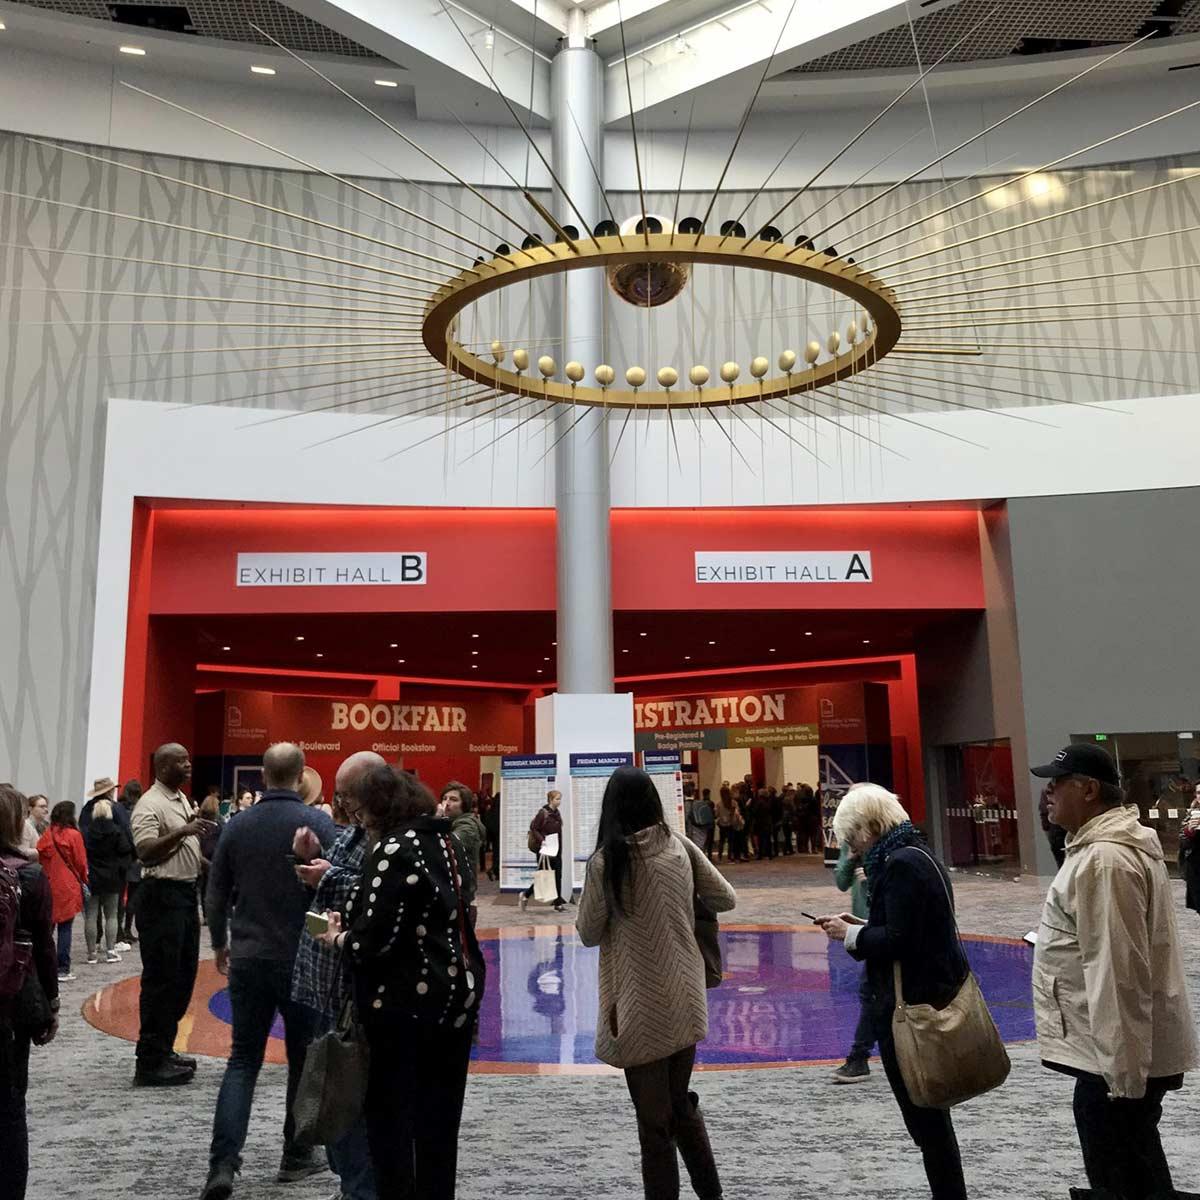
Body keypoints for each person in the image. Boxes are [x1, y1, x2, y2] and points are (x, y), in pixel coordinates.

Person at [1030, 744, 1200, 1200]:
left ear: (1088, 790)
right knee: (1138, 1169)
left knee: (1122, 1178)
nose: (1048, 793)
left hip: (1115, 1063)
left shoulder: (1105, 860)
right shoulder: (1102, 850)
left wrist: (1122, 1079)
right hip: (1117, 1055)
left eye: (1057, 783)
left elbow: (1116, 971)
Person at [316, 766, 485, 1200]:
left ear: (379, 806)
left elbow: (376, 941)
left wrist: (337, 937)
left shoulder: (392, 848)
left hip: (403, 1005)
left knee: (392, 1129)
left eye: (357, 804)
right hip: (454, 996)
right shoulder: (446, 841)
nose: (353, 814)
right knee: (439, 1126)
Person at [577, 766, 736, 1200]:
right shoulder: (679, 846)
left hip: (637, 1005)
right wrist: (679, 905)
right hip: (685, 995)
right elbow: (726, 897)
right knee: (679, 1102)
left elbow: (588, 932)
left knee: (654, 1123)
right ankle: (712, 1193)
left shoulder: (607, 863)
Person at [816, 784, 970, 1200]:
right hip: (926, 996)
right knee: (932, 1122)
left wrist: (851, 935)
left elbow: (899, 940)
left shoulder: (898, 864)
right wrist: (863, 927)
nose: (854, 849)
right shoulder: (917, 854)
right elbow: (909, 929)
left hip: (910, 1011)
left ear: (869, 827)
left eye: (853, 839)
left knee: (928, 1124)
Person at [200, 742, 338, 1200]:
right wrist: (317, 937)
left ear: (263, 775)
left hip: (250, 954)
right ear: (301, 776)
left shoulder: (238, 824)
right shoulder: (320, 823)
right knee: (302, 1057)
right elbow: (327, 895)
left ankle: (223, 1163)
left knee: (242, 1062)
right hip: (300, 959)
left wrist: (222, 943)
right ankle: (296, 1154)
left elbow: (216, 893)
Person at [292, 750, 384, 1200]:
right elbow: (340, 877)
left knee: (351, 1103)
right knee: (334, 1097)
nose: (341, 804)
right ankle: (351, 1184)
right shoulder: (356, 832)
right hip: (327, 987)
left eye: (347, 795)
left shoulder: (389, 838)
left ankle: (358, 1188)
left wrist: (326, 877)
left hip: (355, 993)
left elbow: (374, 895)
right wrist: (315, 860)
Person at [130, 742, 214, 1087]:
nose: (189, 764)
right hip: (160, 898)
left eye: (188, 758)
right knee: (161, 980)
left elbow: (185, 850)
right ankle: (149, 1061)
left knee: (182, 978)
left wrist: (211, 866)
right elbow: (146, 851)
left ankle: (164, 1048)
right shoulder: (149, 805)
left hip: (183, 896)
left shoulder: (179, 799)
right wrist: (182, 831)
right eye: (182, 760)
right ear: (163, 767)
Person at [0, 785, 60, 1200]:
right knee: (9, 1106)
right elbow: (44, 946)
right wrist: (51, 1004)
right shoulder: (31, 876)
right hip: (12, 1003)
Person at [829, 839, 873, 1083]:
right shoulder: (850, 842)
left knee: (872, 992)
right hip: (864, 924)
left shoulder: (887, 845)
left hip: (880, 925)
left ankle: (859, 1057)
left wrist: (871, 875)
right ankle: (860, 1057)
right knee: (874, 992)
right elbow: (841, 882)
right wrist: (851, 857)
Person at [36, 802, 88, 983]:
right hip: (68, 885)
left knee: (46, 927)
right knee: (65, 927)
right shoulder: (74, 835)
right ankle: (62, 967)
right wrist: (84, 879)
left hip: (49, 884)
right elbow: (81, 862)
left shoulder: (47, 834)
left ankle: (40, 963)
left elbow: (40, 857)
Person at [82, 798, 134, 965]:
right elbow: (127, 852)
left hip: (92, 878)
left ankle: (91, 953)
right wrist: (121, 869)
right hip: (112, 878)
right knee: (111, 915)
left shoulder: (88, 833)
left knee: (91, 916)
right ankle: (111, 950)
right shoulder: (117, 832)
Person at [441, 782, 484, 924]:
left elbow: (447, 846)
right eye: (445, 798)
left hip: (463, 899)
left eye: (453, 800)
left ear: (464, 805)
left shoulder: (467, 826)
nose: (447, 803)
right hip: (455, 895)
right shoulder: (451, 823)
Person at [520, 789, 566, 912]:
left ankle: (558, 903)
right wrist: (542, 841)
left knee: (558, 875)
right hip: (545, 850)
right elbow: (534, 829)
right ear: (551, 800)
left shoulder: (557, 813)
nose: (559, 801)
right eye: (557, 799)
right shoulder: (543, 813)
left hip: (557, 849)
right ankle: (526, 894)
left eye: (560, 798)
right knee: (543, 876)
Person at [117, 779, 143, 947]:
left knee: (119, 897)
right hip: (135, 858)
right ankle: (127, 929)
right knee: (133, 896)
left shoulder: (117, 810)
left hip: (120, 857)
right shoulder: (138, 811)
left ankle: (119, 930)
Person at [1038, 783, 1067, 869]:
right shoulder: (1068, 788)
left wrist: (1048, 832)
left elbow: (1043, 814)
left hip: (1056, 832)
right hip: (1060, 831)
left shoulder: (1046, 790)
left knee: (1062, 864)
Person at [1182, 785, 1200, 916]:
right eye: (1199, 793)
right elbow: (1182, 843)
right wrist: (1189, 831)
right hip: (1196, 869)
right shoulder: (1191, 814)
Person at [18, 794, 48, 862]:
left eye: (46, 806)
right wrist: (43, 850)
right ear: (30, 809)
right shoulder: (26, 825)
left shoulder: (42, 826)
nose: (46, 810)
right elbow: (23, 850)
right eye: (42, 807)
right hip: (28, 867)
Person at [482, 788, 501, 881]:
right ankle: (496, 870)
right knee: (499, 853)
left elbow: (487, 822)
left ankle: (494, 869)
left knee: (495, 852)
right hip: (500, 834)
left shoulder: (491, 810)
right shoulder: (501, 810)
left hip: (493, 835)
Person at [714, 787, 737, 863]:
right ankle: (730, 857)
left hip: (722, 824)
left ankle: (720, 857)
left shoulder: (719, 804)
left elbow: (716, 814)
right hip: (731, 824)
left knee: (721, 841)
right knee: (731, 841)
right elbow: (735, 813)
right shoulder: (733, 802)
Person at [691, 789, 715, 858]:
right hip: (709, 824)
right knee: (709, 841)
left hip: (700, 825)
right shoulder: (710, 803)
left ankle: (704, 855)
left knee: (703, 841)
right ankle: (709, 855)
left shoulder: (698, 804)